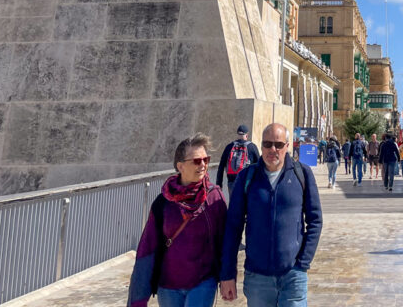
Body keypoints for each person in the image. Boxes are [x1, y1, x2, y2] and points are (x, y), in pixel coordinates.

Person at [219, 123, 323, 306]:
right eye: (267, 144)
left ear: (287, 146)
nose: (272, 149)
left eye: (278, 144)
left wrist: (303, 262)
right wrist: (227, 274)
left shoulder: (302, 174)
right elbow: (233, 226)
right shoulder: (247, 177)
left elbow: (315, 220)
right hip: (257, 277)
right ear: (261, 145)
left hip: (293, 275)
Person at [128, 133, 227, 307]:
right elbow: (147, 247)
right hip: (168, 285)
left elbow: (226, 241)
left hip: (203, 282)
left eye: (206, 159)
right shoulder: (164, 202)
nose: (203, 165)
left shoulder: (214, 197)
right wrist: (138, 298)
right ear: (180, 166)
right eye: (196, 161)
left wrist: (227, 278)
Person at [216, 125, 261, 196]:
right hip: (246, 182)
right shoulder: (252, 147)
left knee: (234, 204)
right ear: (247, 135)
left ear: (237, 134)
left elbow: (221, 166)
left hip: (231, 182)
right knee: (246, 205)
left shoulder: (229, 147)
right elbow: (260, 166)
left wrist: (219, 184)